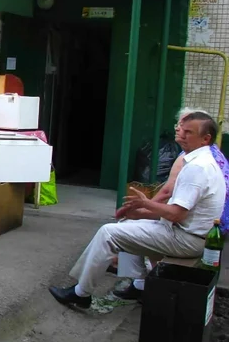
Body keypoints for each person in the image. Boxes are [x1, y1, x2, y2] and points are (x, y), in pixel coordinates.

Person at [49, 111, 225, 308]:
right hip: (189, 234)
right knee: (129, 224)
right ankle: (140, 285)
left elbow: (177, 213)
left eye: (189, 132)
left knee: (108, 233)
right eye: (182, 130)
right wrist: (138, 213)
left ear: (205, 138)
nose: (181, 134)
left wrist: (145, 204)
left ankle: (81, 293)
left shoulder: (198, 167)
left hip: (187, 240)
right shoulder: (203, 160)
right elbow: (177, 210)